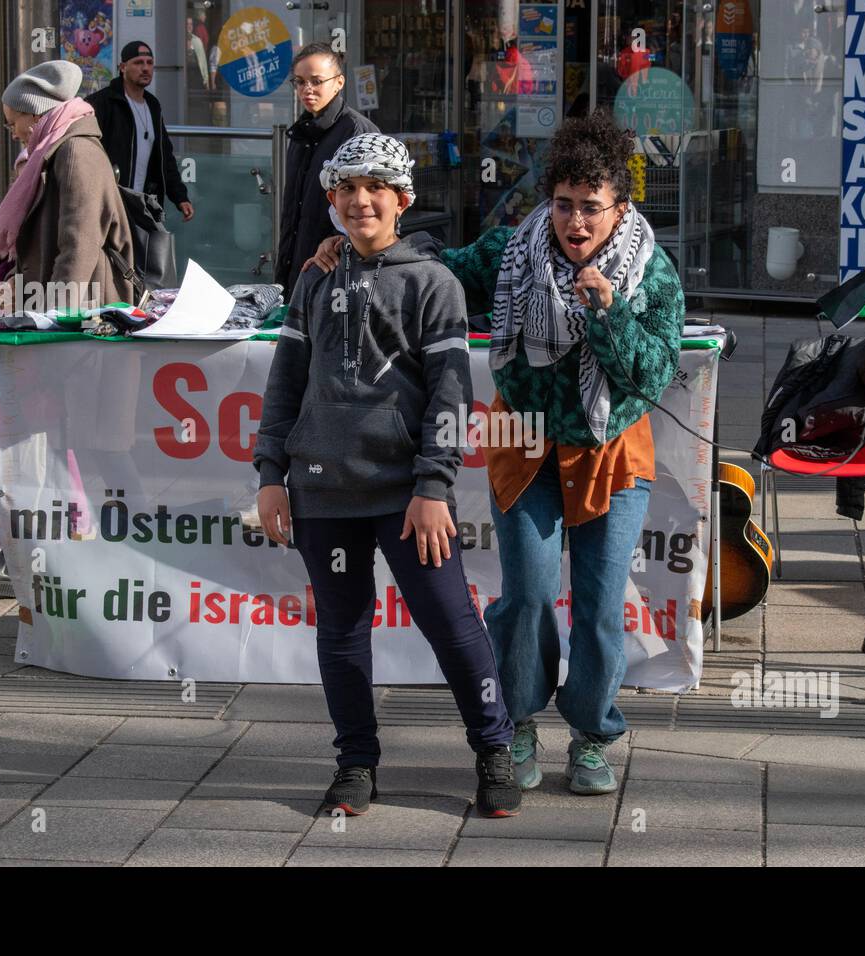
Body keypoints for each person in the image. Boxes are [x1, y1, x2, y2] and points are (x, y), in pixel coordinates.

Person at [307, 111, 685, 796]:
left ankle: (593, 732)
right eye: (563, 205)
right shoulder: (515, 250)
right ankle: (515, 724)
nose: (574, 222)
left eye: (591, 209)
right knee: (530, 595)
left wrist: (610, 315)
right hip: (525, 444)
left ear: (619, 208)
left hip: (610, 451)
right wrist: (356, 247)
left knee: (599, 606)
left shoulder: (652, 272)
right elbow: (431, 271)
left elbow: (652, 374)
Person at [254, 133, 520, 819]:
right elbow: (285, 383)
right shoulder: (315, 276)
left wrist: (434, 486)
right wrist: (271, 472)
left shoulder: (432, 283)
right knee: (341, 633)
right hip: (322, 492)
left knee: (452, 624)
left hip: (407, 497)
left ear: (402, 199)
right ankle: (355, 762)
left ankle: (494, 748)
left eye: (375, 189)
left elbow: (452, 393)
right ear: (332, 200)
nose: (360, 201)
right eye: (347, 189)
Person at [0, 59, 135, 593]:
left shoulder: (76, 153)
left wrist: (52, 320)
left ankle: (44, 548)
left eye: (15, 120)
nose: (14, 130)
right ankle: (41, 548)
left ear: (39, 114)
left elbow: (78, 246)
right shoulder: (57, 150)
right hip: (65, 314)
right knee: (60, 440)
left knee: (65, 438)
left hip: (75, 320)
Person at [274, 42, 377, 297]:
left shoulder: (356, 131)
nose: (307, 89)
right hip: (297, 266)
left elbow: (373, 207)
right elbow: (294, 210)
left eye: (316, 81)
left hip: (339, 270)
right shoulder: (302, 131)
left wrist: (337, 240)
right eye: (299, 82)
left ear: (339, 82)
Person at [86, 42, 195, 223]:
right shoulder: (102, 103)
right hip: (110, 203)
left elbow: (164, 156)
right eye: (138, 63)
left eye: (149, 62)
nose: (145, 68)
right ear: (123, 68)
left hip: (144, 204)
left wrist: (180, 197)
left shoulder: (153, 105)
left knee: (145, 251)